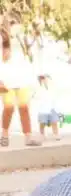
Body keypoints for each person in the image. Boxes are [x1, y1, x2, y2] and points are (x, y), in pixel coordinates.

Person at [0, 15, 40, 147]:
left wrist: (33, 79)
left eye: (16, 23)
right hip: (6, 80)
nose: (15, 26)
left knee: (24, 108)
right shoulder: (2, 40)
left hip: (23, 79)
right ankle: (4, 135)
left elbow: (29, 60)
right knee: (9, 108)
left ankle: (28, 137)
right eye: (12, 23)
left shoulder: (24, 39)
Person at [36, 74, 60, 140]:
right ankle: (42, 134)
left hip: (52, 108)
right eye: (43, 79)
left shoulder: (51, 87)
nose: (45, 80)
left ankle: (56, 134)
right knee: (42, 122)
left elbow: (54, 95)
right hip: (43, 108)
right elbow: (36, 94)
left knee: (54, 121)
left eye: (46, 79)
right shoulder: (39, 87)